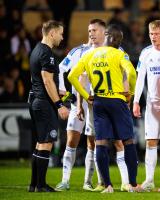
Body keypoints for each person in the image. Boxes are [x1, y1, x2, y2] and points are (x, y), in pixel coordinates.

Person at [55, 19, 130, 192]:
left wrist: (126, 97)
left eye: (95, 30)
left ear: (104, 32)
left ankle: (96, 182)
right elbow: (64, 70)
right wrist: (62, 90)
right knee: (73, 141)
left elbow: (126, 74)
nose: (91, 33)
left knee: (99, 143)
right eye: (89, 30)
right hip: (80, 103)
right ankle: (67, 180)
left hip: (102, 103)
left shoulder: (115, 51)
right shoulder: (79, 52)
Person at [68, 24, 141, 193]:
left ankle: (107, 185)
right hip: (117, 100)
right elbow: (131, 74)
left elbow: (72, 76)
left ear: (107, 37)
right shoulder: (120, 54)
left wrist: (86, 97)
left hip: (98, 102)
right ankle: (133, 184)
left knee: (100, 143)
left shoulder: (89, 54)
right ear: (118, 40)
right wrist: (130, 92)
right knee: (127, 141)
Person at [28, 20, 69, 192]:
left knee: (40, 143)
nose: (62, 37)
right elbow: (47, 81)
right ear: (51, 33)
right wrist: (59, 104)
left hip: (37, 101)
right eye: (60, 33)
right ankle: (42, 185)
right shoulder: (47, 53)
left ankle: (34, 184)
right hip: (44, 104)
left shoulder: (37, 49)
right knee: (47, 143)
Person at [132, 20, 160, 191]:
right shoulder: (146, 53)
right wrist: (136, 101)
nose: (153, 37)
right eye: (151, 34)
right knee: (150, 142)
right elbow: (140, 79)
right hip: (153, 106)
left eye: (156, 33)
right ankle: (149, 180)